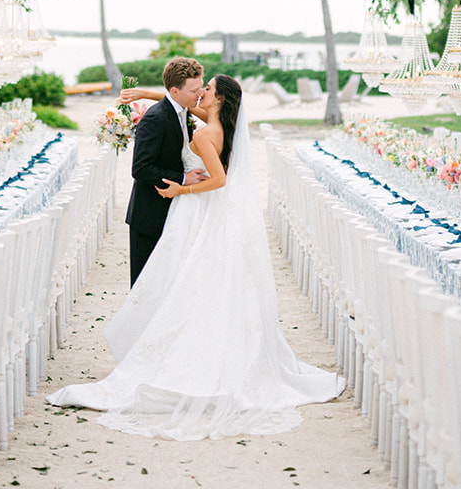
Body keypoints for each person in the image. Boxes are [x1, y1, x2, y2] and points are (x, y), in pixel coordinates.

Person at [48, 73, 343, 439]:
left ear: (218, 99)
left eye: (208, 90)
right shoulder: (220, 123)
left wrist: (180, 191)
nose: (201, 93)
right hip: (209, 212)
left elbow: (218, 180)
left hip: (197, 205)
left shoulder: (205, 133)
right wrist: (145, 93)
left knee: (187, 283)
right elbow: (181, 99)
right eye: (199, 89)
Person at [123, 55, 205, 286]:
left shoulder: (184, 111)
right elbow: (140, 168)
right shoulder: (155, 118)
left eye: (200, 87)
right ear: (174, 91)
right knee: (144, 285)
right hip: (149, 215)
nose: (199, 94)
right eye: (193, 90)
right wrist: (182, 178)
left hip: (172, 212)